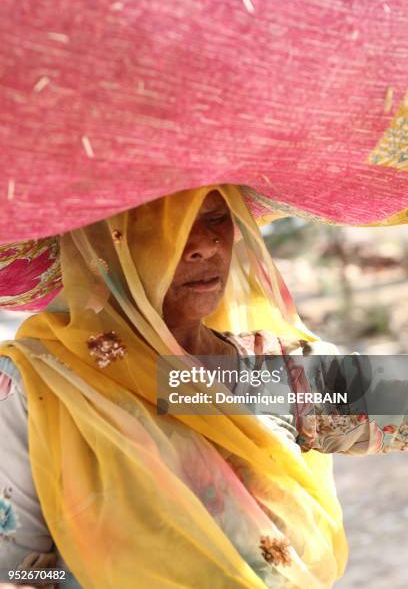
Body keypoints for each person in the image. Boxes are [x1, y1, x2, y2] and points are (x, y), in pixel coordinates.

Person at [0, 185, 406, 589]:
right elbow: (15, 572)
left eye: (216, 219)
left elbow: (397, 403)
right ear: (101, 249)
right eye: (163, 228)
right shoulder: (40, 385)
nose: (206, 245)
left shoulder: (270, 372)